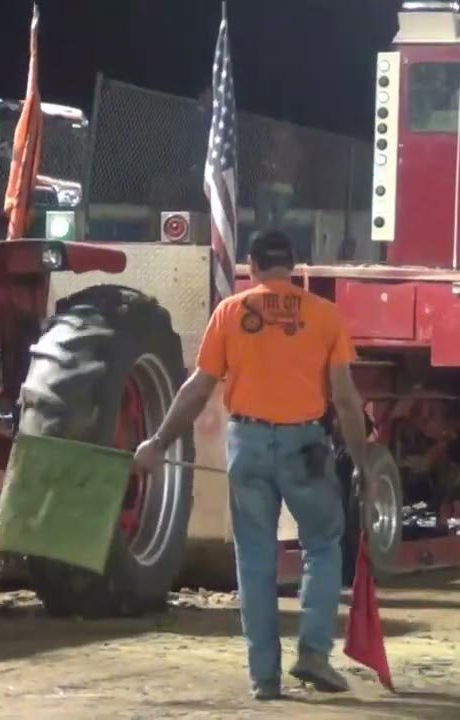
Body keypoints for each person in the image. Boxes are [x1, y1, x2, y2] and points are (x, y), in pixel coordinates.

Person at [132, 229, 374, 701]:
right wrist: (362, 462)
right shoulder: (324, 315)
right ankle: (314, 653)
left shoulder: (230, 312)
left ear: (253, 266)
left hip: (247, 445)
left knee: (256, 559)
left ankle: (264, 677)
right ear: (294, 265)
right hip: (305, 447)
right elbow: (346, 398)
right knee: (323, 545)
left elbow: (197, 389)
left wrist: (158, 443)